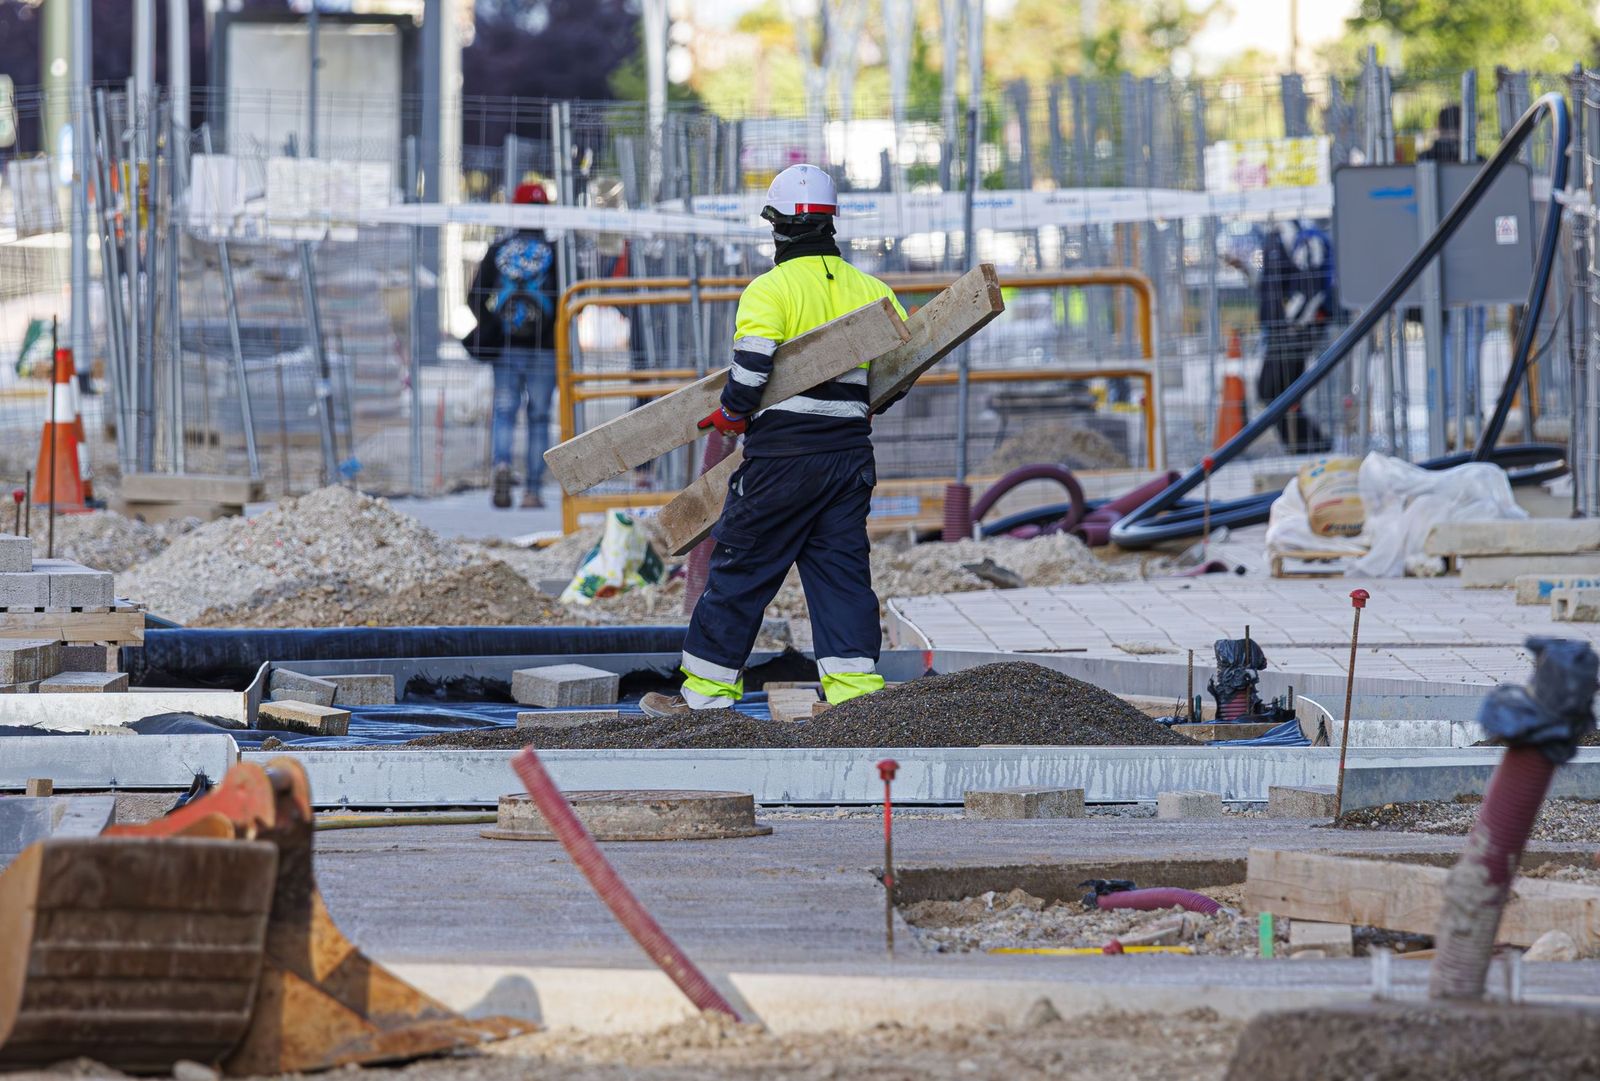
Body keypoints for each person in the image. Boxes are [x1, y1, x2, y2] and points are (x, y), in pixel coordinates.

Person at [640, 164, 908, 717]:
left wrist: (733, 414)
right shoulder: (872, 289)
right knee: (841, 573)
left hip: (783, 458)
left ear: (778, 227)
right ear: (831, 224)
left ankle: (706, 699)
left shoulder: (770, 290)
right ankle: (854, 700)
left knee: (742, 568)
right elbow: (901, 370)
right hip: (849, 458)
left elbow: (752, 368)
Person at [465, 181, 560, 509]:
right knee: (539, 416)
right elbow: (569, 300)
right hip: (546, 350)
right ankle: (532, 491)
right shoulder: (555, 253)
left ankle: (502, 466)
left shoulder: (499, 251)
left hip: (505, 347)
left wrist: (495, 326)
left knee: (504, 412)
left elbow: (473, 297)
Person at [1228, 220, 1335, 455]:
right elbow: (1271, 286)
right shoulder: (1274, 238)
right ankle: (1306, 445)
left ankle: (1311, 445)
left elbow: (1312, 285)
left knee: (1271, 389)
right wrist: (1245, 268)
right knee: (1282, 392)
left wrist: (1293, 324)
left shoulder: (1301, 236)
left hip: (1294, 331)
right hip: (1284, 330)